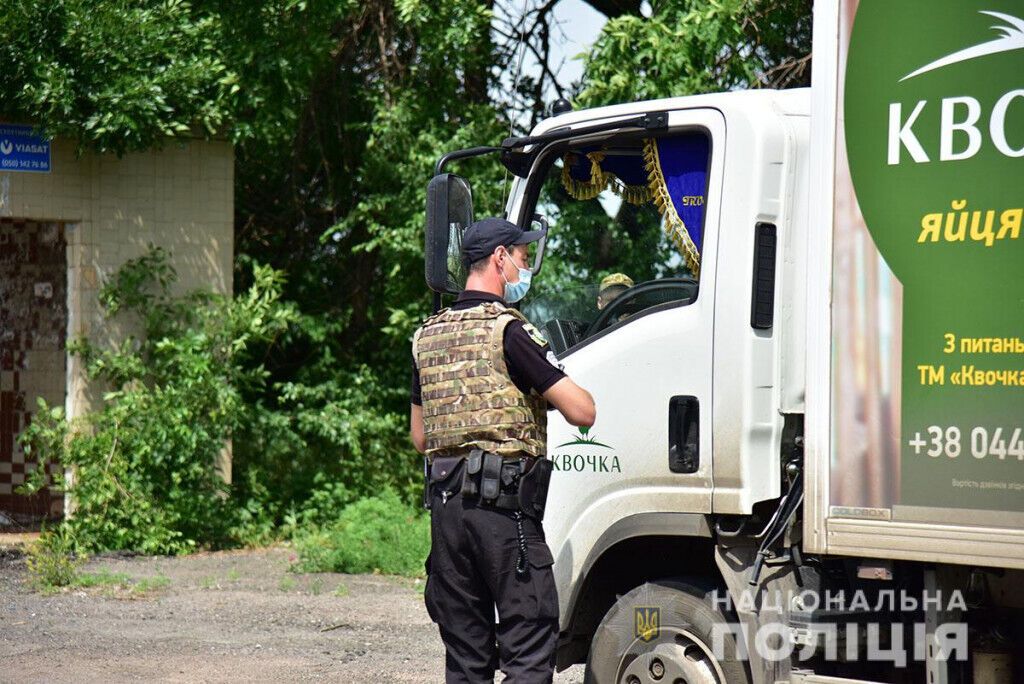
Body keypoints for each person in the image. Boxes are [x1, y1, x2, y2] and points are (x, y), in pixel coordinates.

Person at [410, 217, 596, 683]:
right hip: (503, 514)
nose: (524, 268)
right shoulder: (510, 332)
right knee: (528, 646)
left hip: (447, 517)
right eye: (523, 258)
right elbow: (582, 411)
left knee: (467, 657)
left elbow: (420, 437)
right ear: (500, 259)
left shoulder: (426, 336)